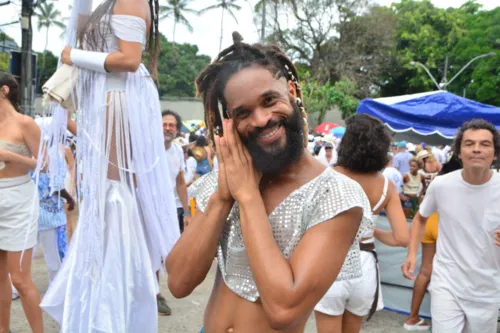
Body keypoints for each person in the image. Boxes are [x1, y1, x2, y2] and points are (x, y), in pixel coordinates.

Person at [166, 32, 371, 333]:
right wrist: (223, 199)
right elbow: (178, 282)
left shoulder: (335, 195)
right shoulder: (225, 184)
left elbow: (284, 309)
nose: (261, 119)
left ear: (291, 91)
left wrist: (247, 197)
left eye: (269, 100)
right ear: (230, 123)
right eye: (243, 113)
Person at [39, 0, 180, 332]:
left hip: (116, 100)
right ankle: (99, 298)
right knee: (101, 200)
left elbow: (129, 60)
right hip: (101, 100)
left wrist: (74, 57)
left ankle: (113, 307)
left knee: (112, 197)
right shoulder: (108, 4)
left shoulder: (131, 1)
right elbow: (76, 33)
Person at [402, 119, 500, 333]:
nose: (476, 149)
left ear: (495, 153)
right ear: (459, 153)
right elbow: (420, 218)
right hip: (447, 283)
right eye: (469, 144)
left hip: (487, 288)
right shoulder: (441, 185)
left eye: (484, 144)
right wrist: (411, 253)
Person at [314, 114, 409, 333]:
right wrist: (371, 230)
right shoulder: (386, 185)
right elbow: (402, 239)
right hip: (365, 265)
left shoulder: (327, 176)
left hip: (331, 262)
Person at [0, 72, 43, 333]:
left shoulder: (25, 123)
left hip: (19, 200)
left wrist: (10, 156)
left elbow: (46, 165)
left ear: (4, 91)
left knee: (19, 278)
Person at [403, 154, 462, 331]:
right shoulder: (465, 178)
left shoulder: (440, 177)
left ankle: (412, 318)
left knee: (425, 271)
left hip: (429, 221)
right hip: (447, 224)